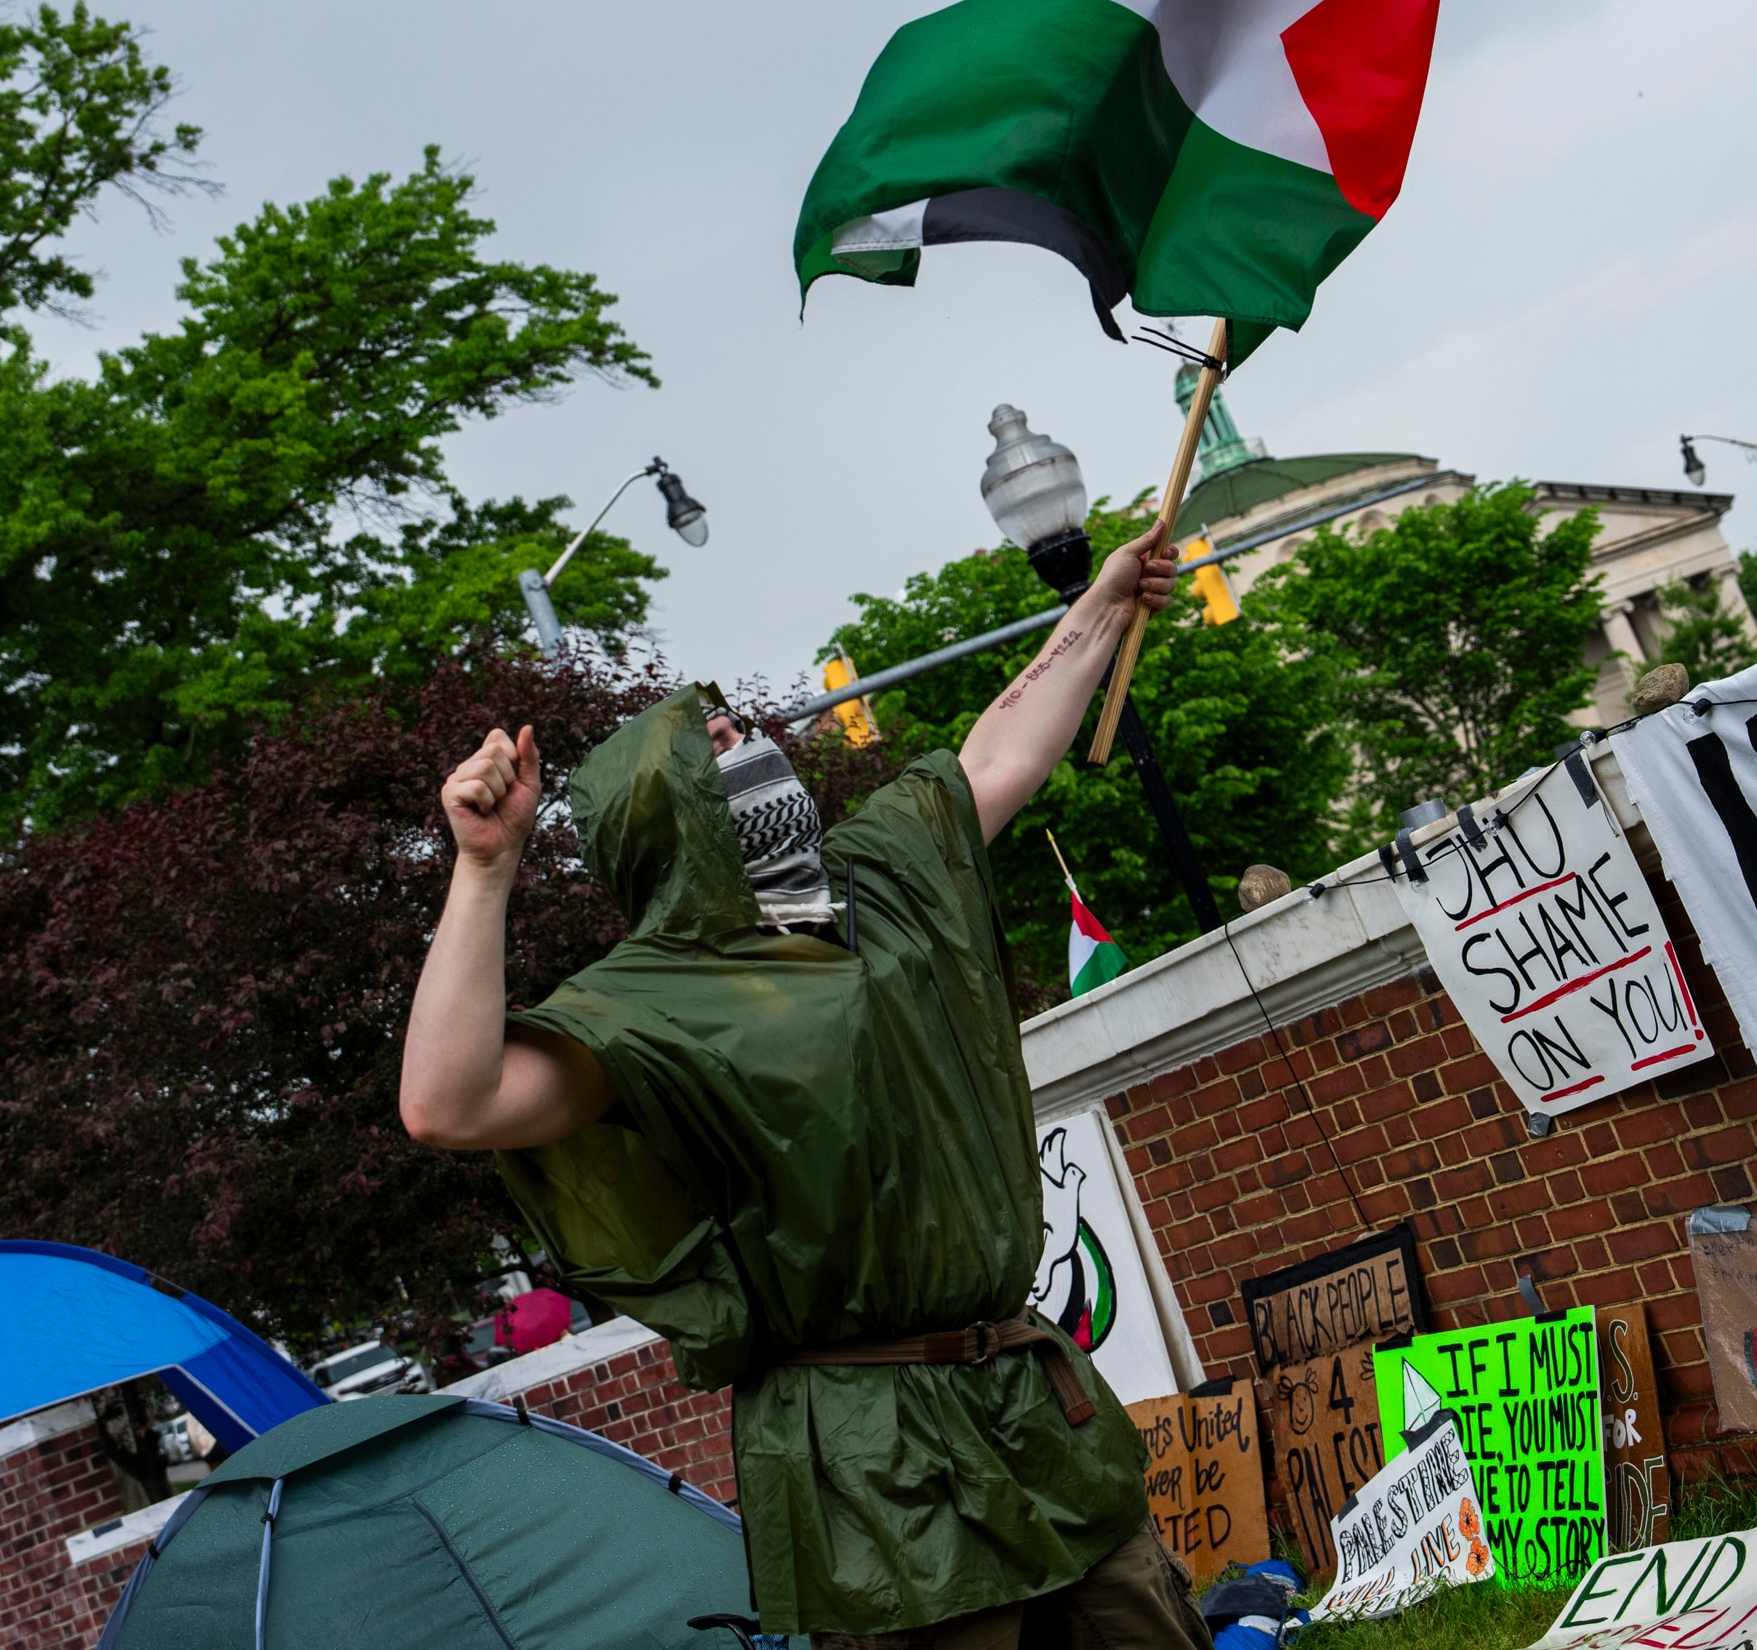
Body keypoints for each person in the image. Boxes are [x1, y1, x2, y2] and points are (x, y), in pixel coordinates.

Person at [401, 520, 1211, 1650]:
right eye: (711, 740)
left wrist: (1105, 604)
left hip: (1030, 1403)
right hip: (864, 1455)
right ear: (668, 821)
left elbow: (999, 752)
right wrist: (485, 867)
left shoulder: (886, 879)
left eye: (734, 716)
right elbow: (449, 1104)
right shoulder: (647, 1004)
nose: (744, 731)